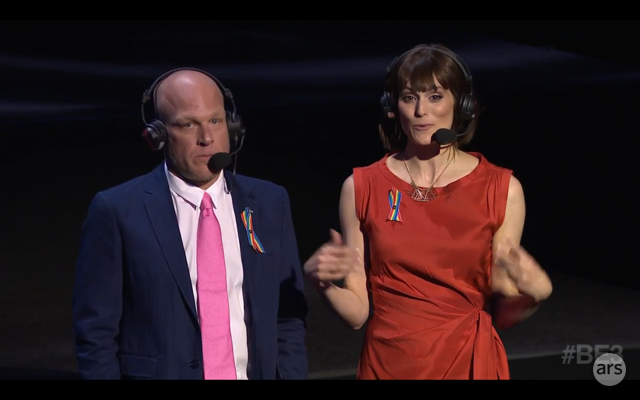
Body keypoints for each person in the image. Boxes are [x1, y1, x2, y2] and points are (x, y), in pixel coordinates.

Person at [303, 44, 553, 380]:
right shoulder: (361, 187)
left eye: (435, 96)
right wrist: (324, 286)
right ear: (393, 107)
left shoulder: (502, 189)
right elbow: (358, 313)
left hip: (467, 362)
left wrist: (533, 297)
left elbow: (503, 312)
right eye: (409, 97)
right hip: (389, 364)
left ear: (461, 104)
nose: (421, 110)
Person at [72, 68, 308, 380]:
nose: (207, 138)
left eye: (215, 121)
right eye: (188, 124)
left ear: (232, 126)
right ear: (157, 135)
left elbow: (288, 318)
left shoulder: (268, 202)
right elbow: (96, 334)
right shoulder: (116, 211)